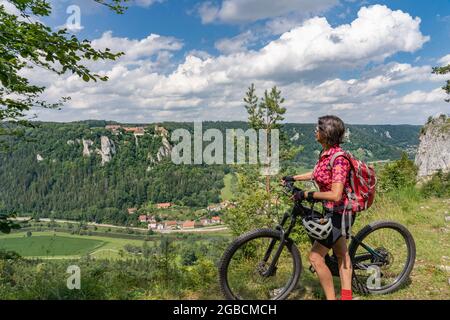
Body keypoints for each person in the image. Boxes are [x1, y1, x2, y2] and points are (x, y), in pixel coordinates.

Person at [283, 115, 354, 300]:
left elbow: (336, 194)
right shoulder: (325, 153)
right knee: (341, 253)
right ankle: (346, 296)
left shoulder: (339, 159)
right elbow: (316, 174)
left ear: (327, 133)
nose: (315, 131)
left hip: (340, 212)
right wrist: (293, 178)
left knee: (315, 258)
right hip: (331, 210)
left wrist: (307, 194)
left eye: (318, 128)